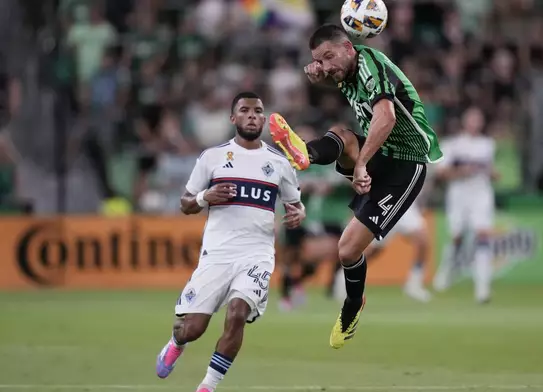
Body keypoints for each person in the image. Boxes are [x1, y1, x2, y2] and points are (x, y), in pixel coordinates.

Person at [268, 24, 443, 349]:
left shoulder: (369, 65)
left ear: (349, 47)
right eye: (319, 60)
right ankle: (303, 153)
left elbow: (387, 117)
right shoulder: (344, 73)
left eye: (329, 56)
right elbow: (338, 79)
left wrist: (361, 163)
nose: (326, 65)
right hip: (383, 153)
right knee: (342, 135)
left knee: (348, 249)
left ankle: (352, 307)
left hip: (407, 162)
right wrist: (320, 75)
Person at [155, 92, 306, 392]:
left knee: (237, 313)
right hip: (218, 255)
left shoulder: (278, 163)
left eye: (258, 111)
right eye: (245, 110)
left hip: (258, 254)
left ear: (264, 119)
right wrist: (203, 197)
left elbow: (296, 203)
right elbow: (185, 204)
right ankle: (176, 341)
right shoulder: (212, 157)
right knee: (193, 329)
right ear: (233, 118)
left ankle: (208, 386)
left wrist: (298, 213)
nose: (252, 115)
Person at [277, 125, 352, 311]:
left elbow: (339, 178)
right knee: (290, 257)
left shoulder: (322, 164)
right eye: (301, 141)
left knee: (316, 258)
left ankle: (300, 284)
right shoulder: (289, 164)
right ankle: (286, 297)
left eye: (308, 141)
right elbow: (285, 186)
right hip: (293, 217)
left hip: (314, 219)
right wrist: (308, 187)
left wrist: (329, 184)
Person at [433, 106, 498, 304]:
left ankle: (482, 289)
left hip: (481, 194)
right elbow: (441, 173)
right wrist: (463, 171)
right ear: (465, 121)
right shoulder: (453, 145)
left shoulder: (488, 144)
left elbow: (491, 170)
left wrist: (493, 173)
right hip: (459, 194)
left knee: (483, 236)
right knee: (457, 238)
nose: (475, 123)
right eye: (472, 119)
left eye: (478, 119)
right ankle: (446, 272)